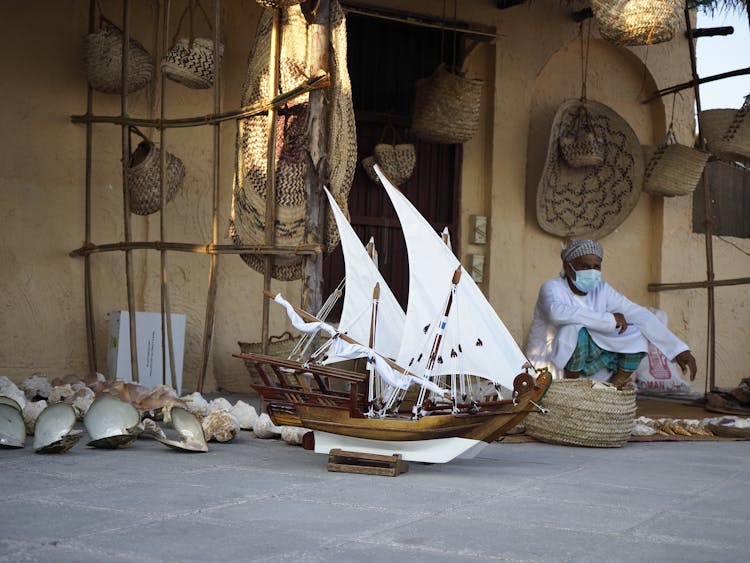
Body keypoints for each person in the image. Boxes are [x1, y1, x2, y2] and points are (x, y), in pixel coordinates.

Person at [526, 239, 697, 389]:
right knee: (575, 328)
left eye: (596, 266)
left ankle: (613, 388)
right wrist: (609, 319)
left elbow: (637, 313)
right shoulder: (552, 287)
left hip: (593, 360)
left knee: (638, 332)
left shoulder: (602, 289)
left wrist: (678, 350)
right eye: (585, 266)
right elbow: (556, 313)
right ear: (568, 267)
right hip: (552, 363)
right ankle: (572, 388)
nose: (592, 271)